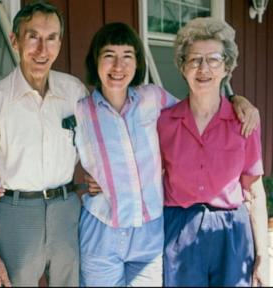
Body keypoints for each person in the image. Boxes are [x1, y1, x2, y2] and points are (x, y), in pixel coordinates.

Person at [73, 22, 260, 287]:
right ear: (95, 61)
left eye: (127, 56)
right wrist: (83, 180)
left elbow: (201, 106)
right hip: (103, 226)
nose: (118, 66)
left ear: (138, 63)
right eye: (109, 56)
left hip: (149, 231)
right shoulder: (79, 108)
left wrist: (237, 100)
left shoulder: (154, 99)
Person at [0, 1, 89, 286]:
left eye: (51, 38)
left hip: (67, 211)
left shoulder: (74, 92)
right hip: (17, 215)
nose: (43, 50)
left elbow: (93, 150)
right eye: (33, 37)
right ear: (14, 40)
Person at [157, 17, 269, 287]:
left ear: (226, 67)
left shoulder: (245, 121)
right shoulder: (164, 121)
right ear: (183, 67)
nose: (203, 68)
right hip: (180, 230)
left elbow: (254, 192)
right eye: (194, 59)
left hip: (231, 232)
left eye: (214, 59)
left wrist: (263, 258)